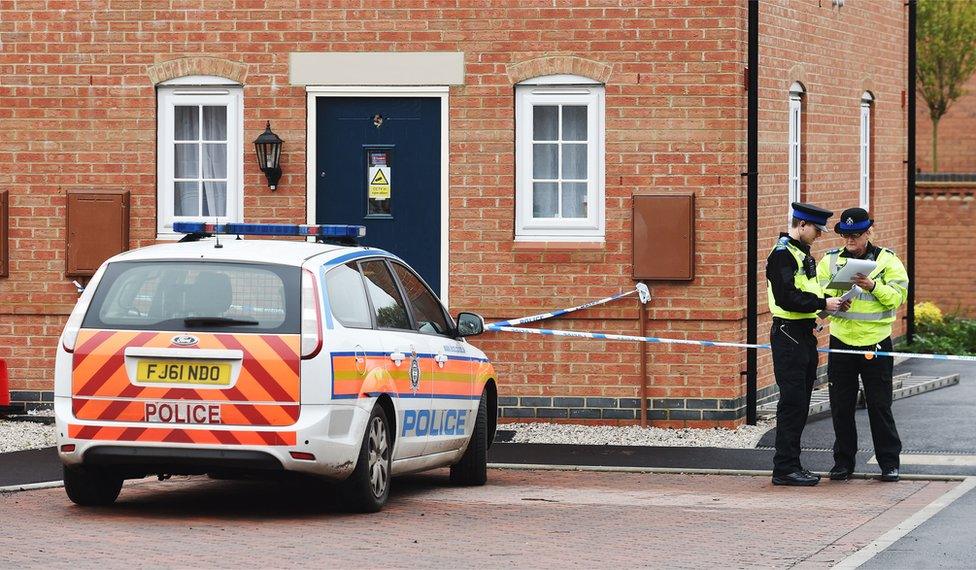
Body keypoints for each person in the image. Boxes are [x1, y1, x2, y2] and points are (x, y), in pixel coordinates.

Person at [817, 208, 908, 483]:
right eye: (845, 235)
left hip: (876, 342)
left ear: (869, 232)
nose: (849, 240)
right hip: (842, 342)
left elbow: (898, 297)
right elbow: (818, 294)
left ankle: (889, 464)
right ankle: (843, 464)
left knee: (880, 406)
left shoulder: (888, 261)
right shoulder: (829, 260)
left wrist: (872, 286)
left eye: (855, 235)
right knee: (840, 406)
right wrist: (833, 300)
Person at [766, 202, 850, 486]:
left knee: (800, 403)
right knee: (792, 403)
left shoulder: (802, 253)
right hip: (788, 333)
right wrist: (822, 302)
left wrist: (829, 304)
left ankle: (792, 465)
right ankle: (785, 468)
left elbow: (807, 292)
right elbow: (785, 297)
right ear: (801, 225)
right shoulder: (782, 255)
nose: (820, 235)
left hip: (803, 332)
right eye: (816, 229)